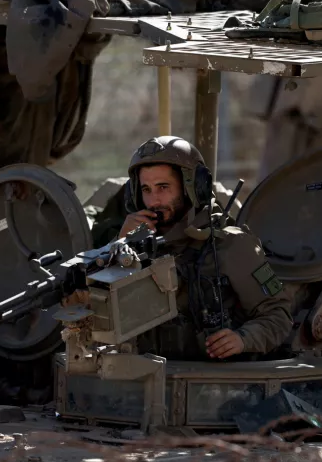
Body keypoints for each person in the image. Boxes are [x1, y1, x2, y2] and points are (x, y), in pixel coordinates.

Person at [113, 135, 294, 361]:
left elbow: (278, 316)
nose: (154, 201)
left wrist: (243, 339)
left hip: (220, 384)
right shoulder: (132, 247)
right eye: (146, 190)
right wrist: (119, 245)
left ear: (193, 188)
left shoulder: (231, 246)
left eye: (163, 187)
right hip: (155, 382)